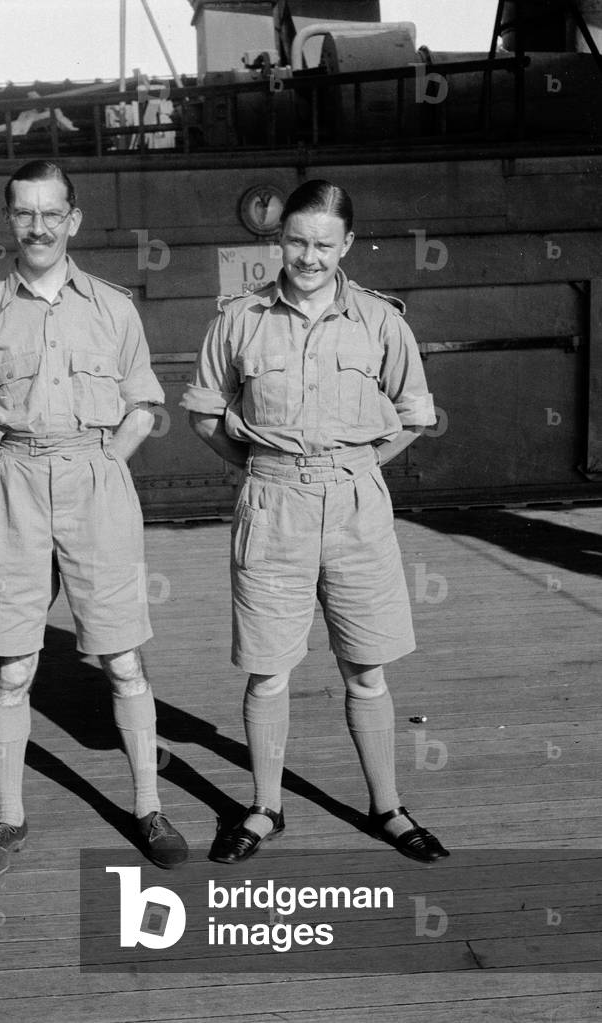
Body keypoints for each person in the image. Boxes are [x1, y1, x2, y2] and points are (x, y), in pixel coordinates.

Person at [182, 179, 448, 864]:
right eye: (297, 241)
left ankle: (387, 807)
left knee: (367, 668)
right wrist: (256, 466)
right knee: (269, 671)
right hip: (273, 506)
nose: (308, 256)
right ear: (279, 240)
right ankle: (266, 808)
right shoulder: (238, 319)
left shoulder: (381, 321)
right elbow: (206, 411)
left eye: (323, 244)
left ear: (348, 245)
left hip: (358, 509)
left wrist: (360, 467)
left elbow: (415, 414)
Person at [0, 160, 188, 881]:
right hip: (14, 486)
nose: (40, 226)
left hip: (95, 482)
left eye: (53, 213)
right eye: (25, 213)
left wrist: (106, 459)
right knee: (13, 664)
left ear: (74, 220)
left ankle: (147, 805)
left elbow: (145, 403)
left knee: (121, 656)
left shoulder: (114, 307)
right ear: (10, 222)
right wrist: (11, 466)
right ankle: (9, 819)